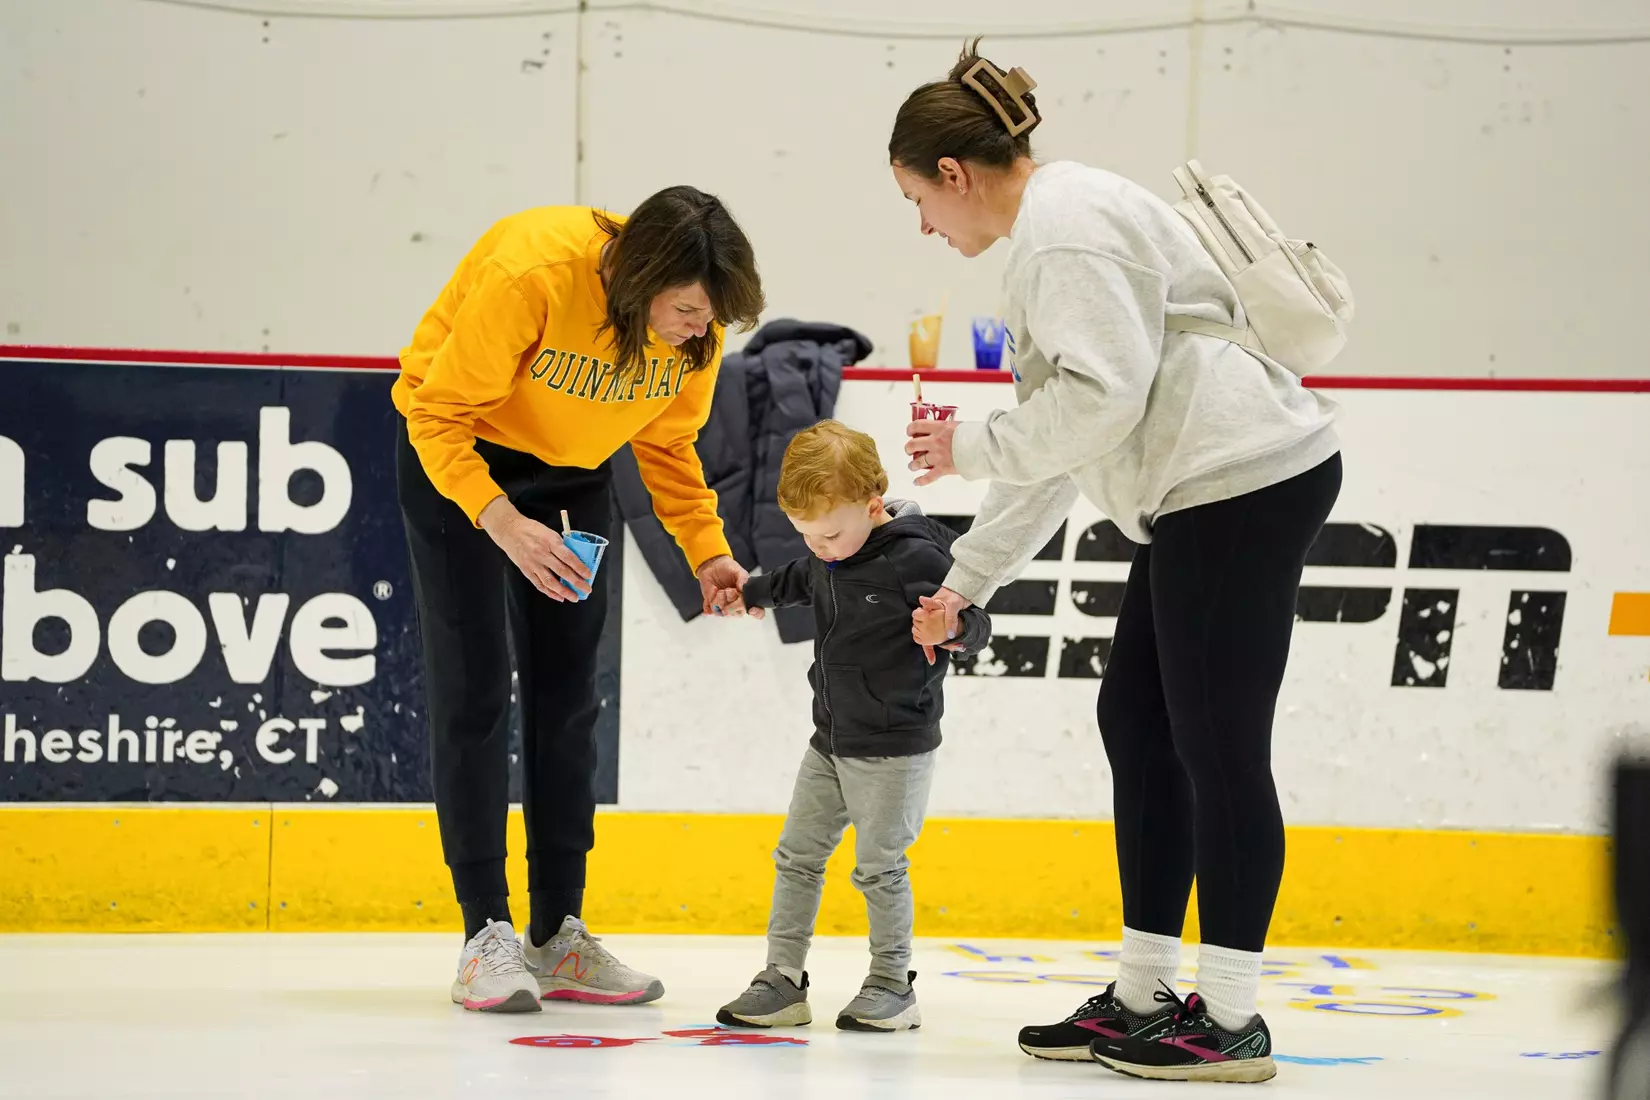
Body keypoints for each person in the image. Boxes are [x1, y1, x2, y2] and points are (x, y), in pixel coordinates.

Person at [890, 42, 1343, 1082]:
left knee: (1218, 744)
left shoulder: (1059, 238)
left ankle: (1227, 1018)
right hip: (1203, 487)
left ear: (955, 174)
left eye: (918, 198)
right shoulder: (1061, 222)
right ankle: (1143, 993)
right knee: (1138, 722)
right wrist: (970, 577)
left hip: (1239, 478)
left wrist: (961, 448)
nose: (923, 223)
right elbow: (1075, 433)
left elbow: (1100, 403)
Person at [393, 186, 763, 1013]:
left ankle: (557, 932)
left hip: (573, 473)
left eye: (712, 317)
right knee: (476, 690)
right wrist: (500, 520)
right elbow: (437, 416)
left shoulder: (695, 327)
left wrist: (708, 553)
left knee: (568, 700)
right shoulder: (534, 272)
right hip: (460, 462)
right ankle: (484, 934)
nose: (700, 331)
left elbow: (668, 445)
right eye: (689, 310)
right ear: (639, 281)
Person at [709, 420, 991, 1032]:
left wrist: (953, 630)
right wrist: (751, 593)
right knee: (797, 857)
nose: (820, 547)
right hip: (829, 742)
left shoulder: (918, 557)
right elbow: (798, 578)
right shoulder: (828, 552)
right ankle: (783, 979)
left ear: (872, 505)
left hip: (893, 749)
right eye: (806, 535)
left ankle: (893, 985)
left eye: (831, 533)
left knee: (879, 868)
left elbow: (976, 621)